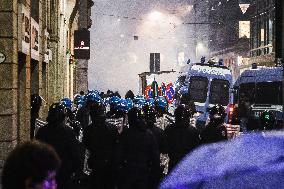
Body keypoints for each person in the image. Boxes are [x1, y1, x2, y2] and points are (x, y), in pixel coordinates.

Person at [35, 103, 81, 189]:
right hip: (64, 173)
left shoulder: (42, 131)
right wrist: (75, 170)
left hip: (46, 172)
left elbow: (36, 152)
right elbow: (75, 153)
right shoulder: (68, 131)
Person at [117, 107, 160, 189]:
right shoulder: (149, 134)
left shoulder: (126, 134)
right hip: (144, 171)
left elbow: (118, 154)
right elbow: (155, 156)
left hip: (128, 171)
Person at [82, 99, 119, 189]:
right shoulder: (112, 128)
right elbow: (117, 148)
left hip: (95, 166)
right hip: (109, 167)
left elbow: (85, 148)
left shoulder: (88, 130)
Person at [165, 104, 200, 172]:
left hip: (174, 163)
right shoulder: (193, 131)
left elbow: (165, 148)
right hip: (186, 165)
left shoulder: (169, 129)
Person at [143, 105, 167, 187]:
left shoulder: (137, 131)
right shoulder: (160, 132)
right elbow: (164, 150)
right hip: (154, 165)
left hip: (141, 166)